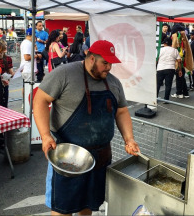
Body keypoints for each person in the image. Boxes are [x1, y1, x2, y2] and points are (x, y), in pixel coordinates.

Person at [33, 40, 140, 215]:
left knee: (88, 206)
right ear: (91, 58)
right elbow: (40, 101)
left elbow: (121, 112)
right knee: (62, 209)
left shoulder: (113, 83)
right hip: (68, 157)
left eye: (111, 63)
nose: (108, 68)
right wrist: (45, 135)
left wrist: (129, 139)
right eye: (104, 63)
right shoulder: (64, 74)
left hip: (100, 157)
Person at [156, 37, 181, 102]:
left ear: (164, 43)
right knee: (168, 85)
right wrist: (180, 70)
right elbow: (179, 61)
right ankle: (166, 99)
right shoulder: (175, 50)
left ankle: (155, 98)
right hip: (170, 69)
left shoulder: (159, 50)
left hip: (160, 69)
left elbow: (156, 60)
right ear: (171, 43)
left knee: (158, 84)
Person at [0, 41, 14, 107]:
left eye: (5, 45)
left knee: (4, 104)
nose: (5, 47)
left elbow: (11, 72)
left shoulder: (8, 58)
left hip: (5, 83)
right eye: (3, 45)